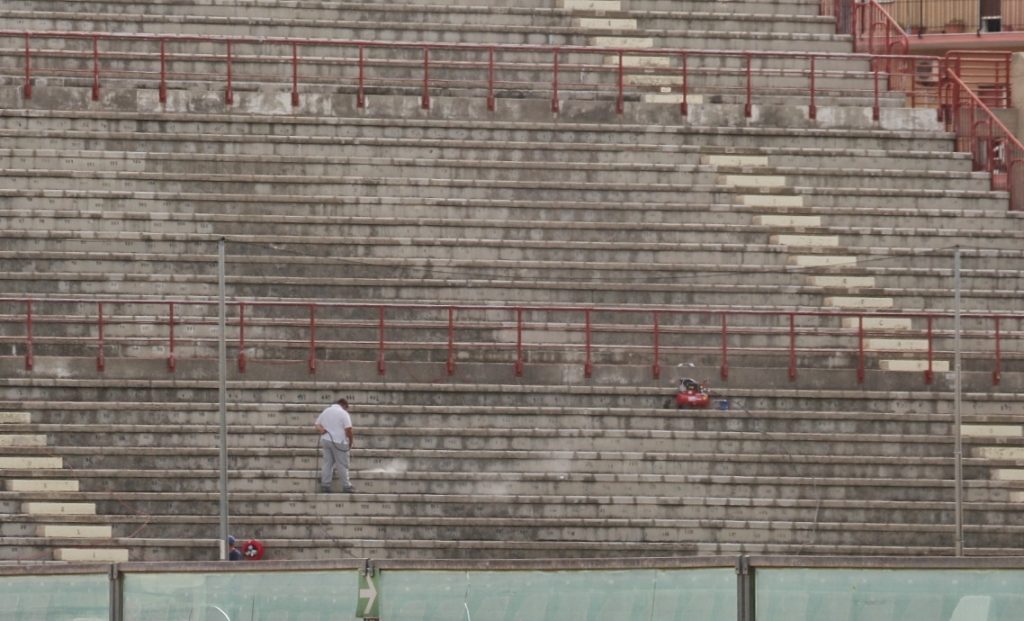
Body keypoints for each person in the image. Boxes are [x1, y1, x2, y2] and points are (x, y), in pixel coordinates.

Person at [315, 397, 355, 493]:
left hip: (326, 440)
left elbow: (317, 424)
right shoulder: (343, 413)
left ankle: (325, 485)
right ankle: (346, 486)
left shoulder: (326, 411)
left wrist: (322, 430)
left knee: (327, 463)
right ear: (344, 405)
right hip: (339, 441)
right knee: (342, 464)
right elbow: (348, 429)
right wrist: (351, 441)